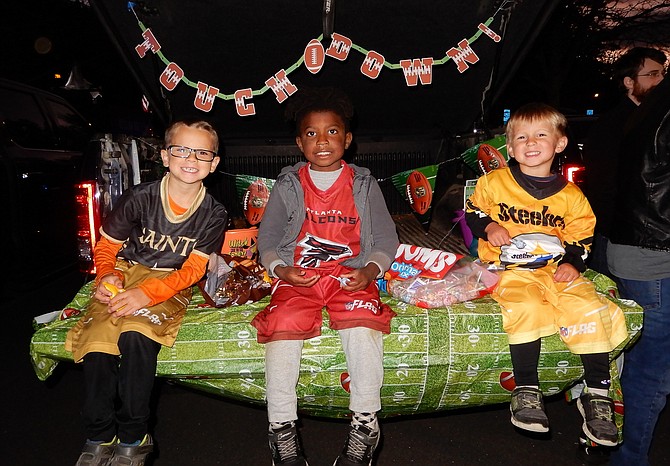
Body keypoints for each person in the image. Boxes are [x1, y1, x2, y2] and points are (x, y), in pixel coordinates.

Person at [465, 103, 629, 447]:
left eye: (542, 135)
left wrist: (574, 262)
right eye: (521, 137)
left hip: (555, 269)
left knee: (589, 307)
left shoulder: (571, 196)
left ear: (560, 143)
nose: (531, 142)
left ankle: (597, 395)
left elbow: (582, 236)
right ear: (509, 148)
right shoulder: (495, 182)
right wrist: (489, 225)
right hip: (511, 269)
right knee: (525, 305)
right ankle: (526, 391)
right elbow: (473, 211)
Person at [66, 120, 228, 466]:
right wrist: (108, 276)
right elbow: (107, 246)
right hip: (126, 272)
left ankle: (134, 435)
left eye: (202, 152)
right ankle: (98, 433)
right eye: (182, 150)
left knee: (136, 337)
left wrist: (146, 296)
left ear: (214, 163)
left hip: (170, 283)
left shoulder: (214, 213)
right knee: (97, 341)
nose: (191, 158)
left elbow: (192, 270)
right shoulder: (140, 197)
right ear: (166, 156)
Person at [251, 87, 399, 466]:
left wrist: (369, 271)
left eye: (332, 132)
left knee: (362, 324)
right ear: (299, 142)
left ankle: (365, 424)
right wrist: (280, 268)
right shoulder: (288, 185)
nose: (322, 141)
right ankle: (280, 428)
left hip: (349, 275)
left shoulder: (364, 185)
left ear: (347, 140)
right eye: (312, 134)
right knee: (282, 324)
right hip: (298, 276)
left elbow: (385, 238)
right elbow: (266, 237)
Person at [608, 71, 670, 466]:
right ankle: (630, 458)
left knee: (637, 362)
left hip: (636, 245)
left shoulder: (651, 105)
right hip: (654, 253)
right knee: (651, 372)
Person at [583, 47, 666, 276]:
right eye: (652, 74)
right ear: (629, 82)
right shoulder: (613, 126)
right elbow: (604, 187)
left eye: (662, 74)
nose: (660, 80)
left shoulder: (653, 121)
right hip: (618, 238)